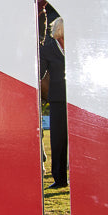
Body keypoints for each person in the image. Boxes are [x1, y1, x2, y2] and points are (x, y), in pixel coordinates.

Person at [40, 16, 67, 189]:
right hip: (58, 99)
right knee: (58, 140)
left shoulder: (81, 47)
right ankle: (60, 179)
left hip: (79, 99)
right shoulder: (48, 49)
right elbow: (40, 74)